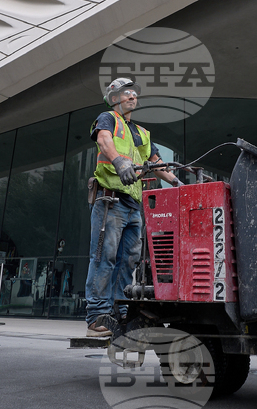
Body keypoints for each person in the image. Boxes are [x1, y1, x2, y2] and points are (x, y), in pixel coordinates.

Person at [85, 77, 180, 337]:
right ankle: (97, 316)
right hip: (110, 200)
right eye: (126, 93)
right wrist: (118, 162)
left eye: (134, 94)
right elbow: (104, 141)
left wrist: (176, 182)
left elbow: (156, 162)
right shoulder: (107, 119)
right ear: (114, 98)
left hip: (132, 205)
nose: (132, 97)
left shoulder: (141, 132)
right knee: (105, 257)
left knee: (129, 260)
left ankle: (120, 310)